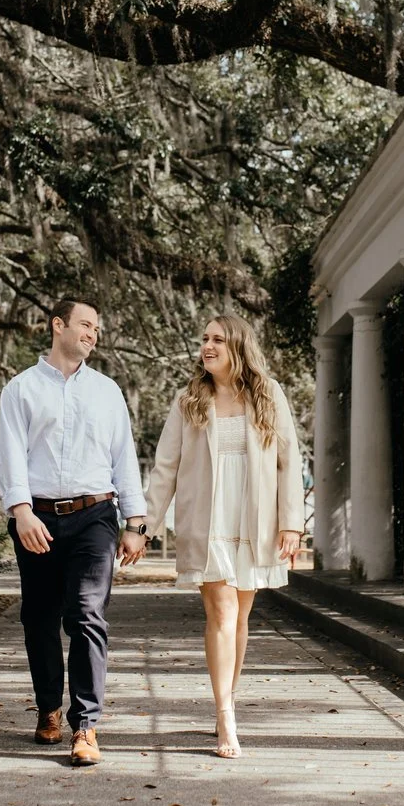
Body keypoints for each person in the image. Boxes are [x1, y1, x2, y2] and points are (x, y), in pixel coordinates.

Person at [0, 298, 148, 766]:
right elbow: (10, 455)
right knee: (38, 618)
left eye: (96, 328)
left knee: (86, 613)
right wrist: (21, 512)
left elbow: (124, 458)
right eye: (85, 324)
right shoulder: (21, 389)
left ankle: (85, 726)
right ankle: (49, 709)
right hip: (37, 519)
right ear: (57, 325)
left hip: (94, 516)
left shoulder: (107, 392)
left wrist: (135, 523)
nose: (92, 334)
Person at [144, 315, 304, 758]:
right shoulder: (189, 400)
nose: (207, 346)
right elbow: (165, 467)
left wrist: (291, 522)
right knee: (222, 612)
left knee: (240, 617)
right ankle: (226, 715)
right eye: (204, 338)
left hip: (254, 520)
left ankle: (226, 701)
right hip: (207, 520)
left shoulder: (268, 394)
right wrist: (144, 527)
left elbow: (289, 460)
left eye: (217, 339)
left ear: (238, 346)